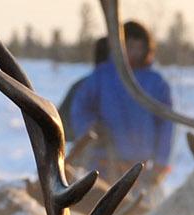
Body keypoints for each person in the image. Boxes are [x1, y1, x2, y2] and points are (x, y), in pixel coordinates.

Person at [66, 20, 174, 185]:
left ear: (147, 49)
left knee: (141, 210)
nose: (135, 53)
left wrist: (161, 162)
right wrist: (90, 126)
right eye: (130, 47)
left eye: (140, 48)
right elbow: (80, 108)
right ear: (118, 46)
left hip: (139, 171)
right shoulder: (102, 75)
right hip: (101, 166)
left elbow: (166, 124)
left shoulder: (156, 83)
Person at [60, 38, 111, 142]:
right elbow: (63, 127)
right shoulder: (85, 87)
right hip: (91, 152)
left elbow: (62, 127)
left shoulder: (81, 85)